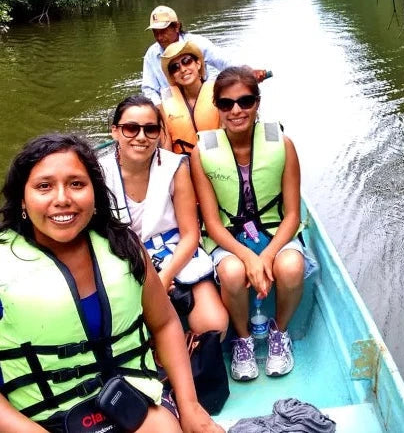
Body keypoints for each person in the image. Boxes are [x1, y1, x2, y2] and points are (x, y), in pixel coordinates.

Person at [0, 133, 224, 433]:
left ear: (95, 192)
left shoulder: (122, 245)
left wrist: (190, 405)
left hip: (130, 401)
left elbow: (165, 322)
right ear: (23, 199)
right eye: (44, 186)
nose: (62, 198)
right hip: (39, 421)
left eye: (77, 184)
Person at [190, 66, 304, 382]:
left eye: (245, 101)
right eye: (226, 104)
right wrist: (249, 257)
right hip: (228, 237)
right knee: (231, 271)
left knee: (292, 267)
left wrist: (265, 256)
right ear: (217, 107)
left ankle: (279, 332)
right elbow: (211, 223)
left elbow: (292, 215)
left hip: (274, 232)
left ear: (257, 102)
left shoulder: (284, 145)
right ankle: (243, 340)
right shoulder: (202, 153)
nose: (236, 110)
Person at [99, 95, 228, 339]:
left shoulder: (174, 166)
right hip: (123, 255)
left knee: (215, 325)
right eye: (130, 128)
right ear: (115, 131)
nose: (141, 137)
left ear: (159, 133)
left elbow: (190, 234)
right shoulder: (98, 173)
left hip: (172, 251)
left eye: (150, 129)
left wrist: (164, 276)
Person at [141, 5, 267, 109]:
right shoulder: (151, 55)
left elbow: (223, 60)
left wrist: (247, 71)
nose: (159, 37)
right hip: (172, 107)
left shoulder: (196, 43)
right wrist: (160, 110)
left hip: (202, 100)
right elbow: (149, 89)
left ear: (177, 26)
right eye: (155, 33)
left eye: (163, 31)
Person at [160, 40, 220, 154]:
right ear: (172, 76)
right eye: (175, 67)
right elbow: (166, 142)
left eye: (186, 61)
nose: (182, 69)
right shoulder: (166, 104)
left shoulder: (219, 92)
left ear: (198, 64)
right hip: (184, 162)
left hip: (216, 157)